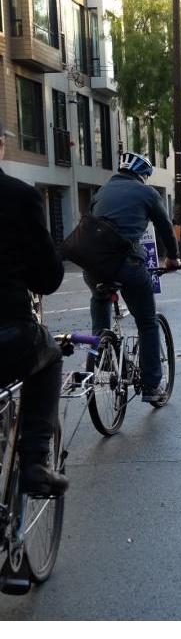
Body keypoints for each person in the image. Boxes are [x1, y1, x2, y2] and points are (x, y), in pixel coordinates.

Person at [0, 121, 68, 496]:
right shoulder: (19, 196)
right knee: (49, 355)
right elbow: (48, 278)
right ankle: (35, 464)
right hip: (8, 333)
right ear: (1, 147)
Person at [85, 151, 181, 405]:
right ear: (142, 175)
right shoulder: (147, 193)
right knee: (147, 322)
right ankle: (151, 386)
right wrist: (173, 258)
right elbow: (165, 228)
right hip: (127, 263)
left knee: (99, 299)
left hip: (93, 265)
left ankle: (105, 353)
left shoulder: (100, 192)